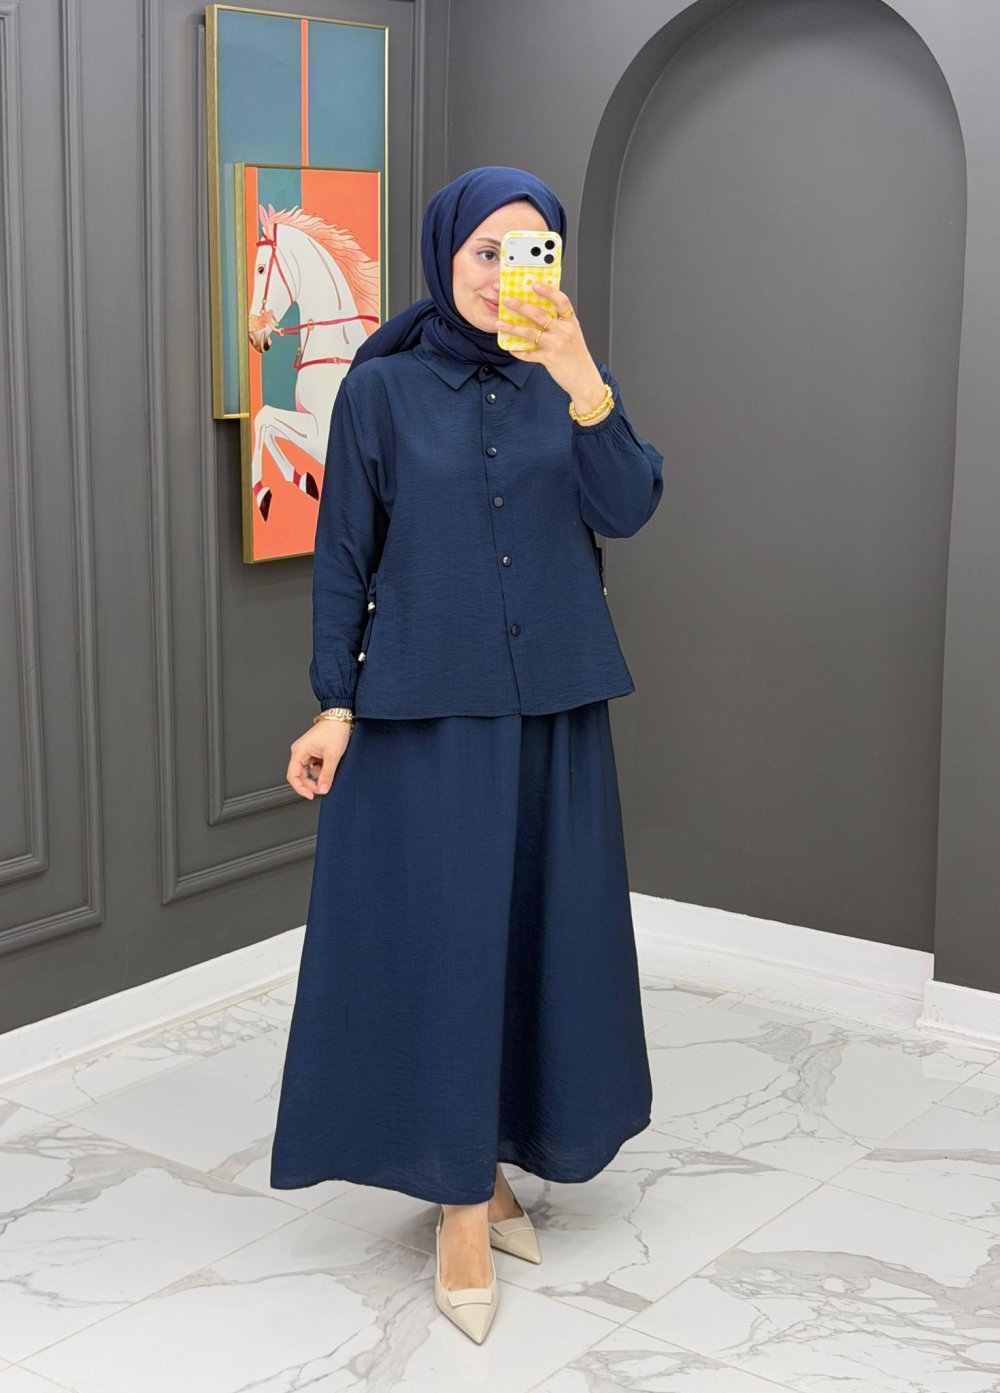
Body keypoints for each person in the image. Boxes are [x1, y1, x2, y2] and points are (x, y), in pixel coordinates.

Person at [269, 166, 664, 1344]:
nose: (504, 273)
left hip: (553, 714)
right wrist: (333, 704)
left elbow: (630, 506)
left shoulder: (568, 383)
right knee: (442, 949)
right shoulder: (380, 391)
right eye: (485, 250)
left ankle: (489, 1168)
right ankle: (454, 1201)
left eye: (529, 251)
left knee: (535, 944)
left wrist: (583, 380)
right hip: (424, 715)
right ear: (444, 254)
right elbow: (345, 555)